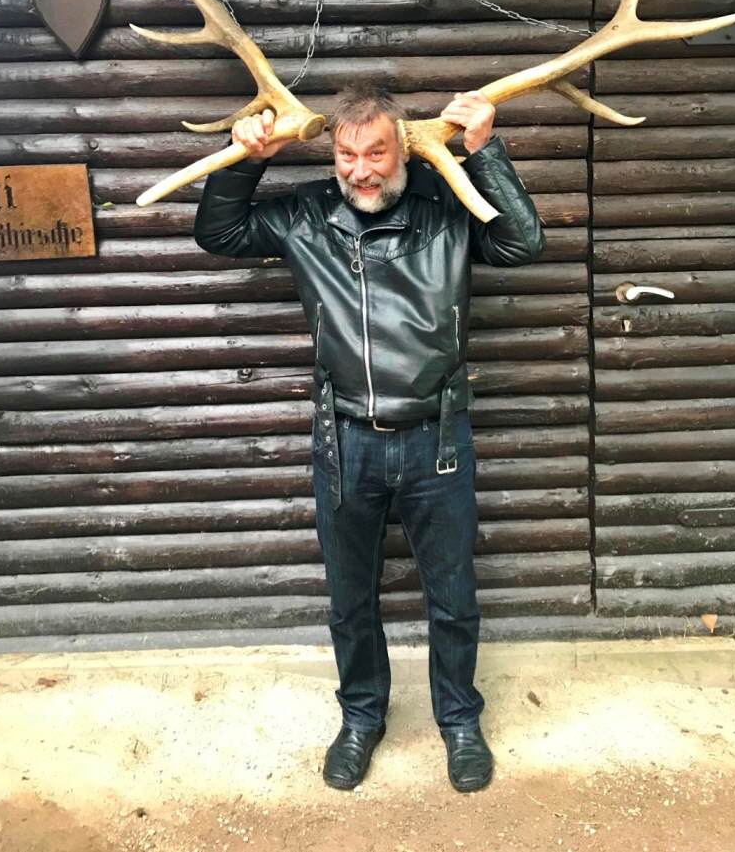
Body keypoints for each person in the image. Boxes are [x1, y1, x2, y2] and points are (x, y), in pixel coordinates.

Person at [194, 81, 544, 792]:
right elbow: (220, 233)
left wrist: (484, 150)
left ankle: (459, 722)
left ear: (403, 150)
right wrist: (247, 161)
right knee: (351, 600)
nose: (360, 170)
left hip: (436, 440)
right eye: (347, 155)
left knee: (453, 595)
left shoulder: (445, 211)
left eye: (376, 153)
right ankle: (360, 718)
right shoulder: (306, 216)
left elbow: (521, 242)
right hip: (344, 441)